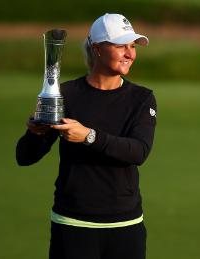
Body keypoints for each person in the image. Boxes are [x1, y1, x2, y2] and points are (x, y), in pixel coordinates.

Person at [16, 13, 156, 259]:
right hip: (72, 225)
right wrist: (35, 133)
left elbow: (138, 151)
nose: (130, 53)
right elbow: (25, 157)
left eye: (132, 46)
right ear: (97, 49)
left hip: (125, 227)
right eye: (121, 45)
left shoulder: (141, 98)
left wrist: (89, 136)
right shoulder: (65, 94)